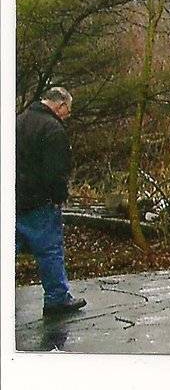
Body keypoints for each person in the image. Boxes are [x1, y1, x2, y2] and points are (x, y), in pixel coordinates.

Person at [16, 86, 86, 315]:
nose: (68, 114)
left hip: (15, 198)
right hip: (40, 200)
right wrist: (59, 197)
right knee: (49, 250)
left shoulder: (20, 121)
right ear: (61, 105)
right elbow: (55, 171)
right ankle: (57, 298)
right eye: (68, 109)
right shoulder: (53, 129)